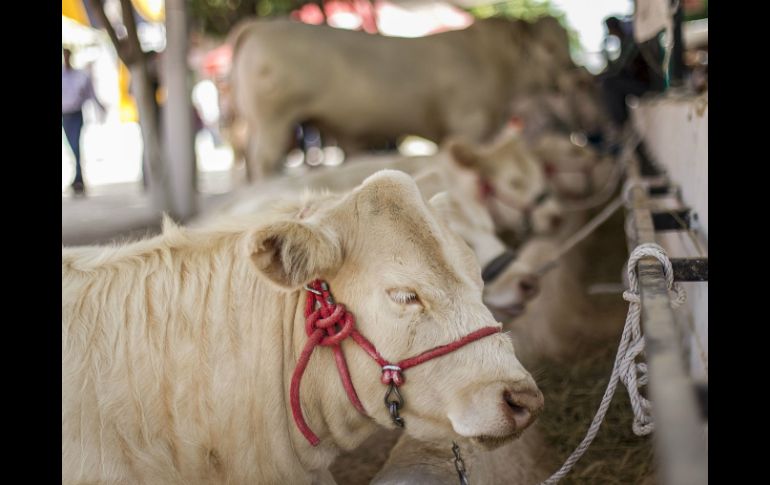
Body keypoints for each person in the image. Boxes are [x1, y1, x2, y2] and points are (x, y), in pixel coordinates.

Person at [597, 17, 663, 129]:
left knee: (609, 83)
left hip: (650, 86)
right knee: (608, 82)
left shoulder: (632, 40)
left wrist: (605, 52)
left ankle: (621, 125)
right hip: (644, 84)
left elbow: (619, 68)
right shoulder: (626, 41)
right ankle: (621, 124)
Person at [62, 47, 105, 196]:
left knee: (75, 144)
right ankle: (78, 178)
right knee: (71, 146)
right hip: (65, 115)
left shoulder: (80, 76)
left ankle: (78, 179)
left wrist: (100, 107)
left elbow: (91, 94)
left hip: (76, 114)